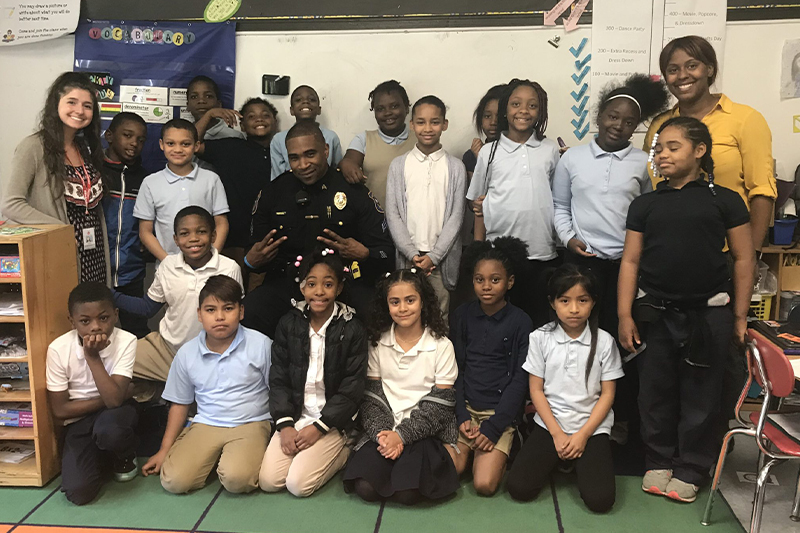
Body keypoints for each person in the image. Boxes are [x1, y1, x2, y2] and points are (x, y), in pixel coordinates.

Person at [619, 117, 754, 503]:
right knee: (654, 391)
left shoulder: (725, 200)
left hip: (709, 314)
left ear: (700, 151)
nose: (662, 154)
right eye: (658, 148)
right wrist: (626, 314)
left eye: (673, 147)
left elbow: (744, 259)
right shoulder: (645, 204)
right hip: (655, 313)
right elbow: (631, 261)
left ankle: (692, 466)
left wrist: (740, 316)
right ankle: (657, 459)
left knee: (703, 395)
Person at [242, 121, 394, 339]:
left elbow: (385, 250)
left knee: (376, 313)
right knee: (250, 311)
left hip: (344, 283)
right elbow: (252, 256)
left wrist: (364, 254)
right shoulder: (273, 193)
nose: (303, 164)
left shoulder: (352, 191)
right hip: (288, 282)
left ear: (326, 150)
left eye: (310, 154)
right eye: (294, 157)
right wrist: (251, 260)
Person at [553, 74, 669, 340]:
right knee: (579, 332)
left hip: (625, 265)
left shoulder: (644, 163)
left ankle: (614, 383)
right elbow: (560, 205)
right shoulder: (572, 158)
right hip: (582, 261)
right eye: (613, 117)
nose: (618, 126)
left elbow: (650, 212)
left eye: (629, 122)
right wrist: (569, 239)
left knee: (618, 332)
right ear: (599, 116)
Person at [507, 264, 623, 513]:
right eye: (565, 300)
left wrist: (582, 436)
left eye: (582, 300)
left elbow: (608, 394)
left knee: (600, 501)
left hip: (591, 428)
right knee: (519, 488)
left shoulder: (604, 341)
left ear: (593, 303)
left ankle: (575, 459)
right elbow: (535, 391)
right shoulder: (540, 337)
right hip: (551, 425)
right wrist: (558, 434)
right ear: (552, 303)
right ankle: (561, 459)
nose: (574, 309)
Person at [141, 275, 272, 494]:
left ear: (241, 312)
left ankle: (233, 459)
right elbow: (180, 404)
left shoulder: (262, 344)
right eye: (210, 310)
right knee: (174, 482)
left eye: (228, 309)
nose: (219, 317)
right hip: (207, 423)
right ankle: (211, 459)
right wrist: (164, 449)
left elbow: (279, 391)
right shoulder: (187, 353)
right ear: (199, 315)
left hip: (251, 423)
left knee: (237, 480)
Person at [343, 269, 459, 504]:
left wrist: (402, 436)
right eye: (395, 302)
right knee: (366, 488)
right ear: (386, 305)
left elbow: (442, 403)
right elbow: (371, 396)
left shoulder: (441, 345)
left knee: (407, 492)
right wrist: (384, 436)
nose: (403, 308)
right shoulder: (377, 342)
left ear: (423, 302)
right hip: (385, 427)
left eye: (410, 300)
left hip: (425, 431)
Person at [259, 248, 367, 497]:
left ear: (339, 288)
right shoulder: (289, 323)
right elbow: (278, 378)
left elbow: (352, 387)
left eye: (328, 284)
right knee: (269, 481)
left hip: (331, 422)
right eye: (312, 284)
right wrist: (285, 425)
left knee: (297, 485)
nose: (319, 292)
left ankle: (346, 448)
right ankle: (300, 442)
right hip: (296, 416)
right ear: (302, 288)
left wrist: (319, 427)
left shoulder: (351, 328)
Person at [466, 79, 560, 328]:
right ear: (506, 109)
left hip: (542, 251)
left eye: (532, 105)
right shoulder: (489, 152)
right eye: (516, 104)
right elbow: (477, 205)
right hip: (501, 253)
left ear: (541, 112)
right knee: (503, 322)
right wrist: (478, 249)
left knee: (539, 322)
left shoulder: (550, 150)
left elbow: (559, 198)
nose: (524, 111)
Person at [0, 72, 110, 283]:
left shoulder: (86, 150)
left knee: (94, 311)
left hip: (93, 255)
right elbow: (11, 204)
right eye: (72, 102)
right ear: (55, 104)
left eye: (87, 106)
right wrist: (62, 231)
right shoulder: (33, 147)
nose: (80, 110)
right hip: (59, 252)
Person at [114, 206, 243, 384]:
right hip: (167, 350)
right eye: (184, 233)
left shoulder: (229, 268)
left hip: (212, 354)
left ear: (213, 236)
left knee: (204, 400)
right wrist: (111, 296)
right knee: (116, 362)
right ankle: (157, 394)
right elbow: (148, 308)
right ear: (175, 239)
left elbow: (235, 319)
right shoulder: (168, 266)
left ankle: (181, 392)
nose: (193, 239)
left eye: (201, 232)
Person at [450, 237, 532, 496]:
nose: (486, 287)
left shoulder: (521, 321)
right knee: (450, 472)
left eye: (495, 280)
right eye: (479, 280)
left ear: (509, 282)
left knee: (483, 486)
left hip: (498, 415)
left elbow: (520, 379)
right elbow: (456, 370)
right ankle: (469, 451)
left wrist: (495, 426)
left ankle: (508, 442)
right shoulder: (461, 316)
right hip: (465, 412)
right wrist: (462, 416)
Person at [46, 282, 139, 505]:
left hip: (115, 416)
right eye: (85, 321)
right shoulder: (58, 349)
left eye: (103, 318)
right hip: (78, 421)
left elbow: (115, 402)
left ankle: (124, 454)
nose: (95, 327)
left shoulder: (127, 341)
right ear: (72, 321)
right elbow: (60, 410)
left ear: (115, 315)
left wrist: (92, 358)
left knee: (110, 431)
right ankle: (100, 456)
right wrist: (121, 394)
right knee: (79, 493)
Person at [385, 95, 466, 320]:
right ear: (412, 125)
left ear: (445, 124)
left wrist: (435, 256)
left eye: (435, 122)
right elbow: (393, 215)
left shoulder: (455, 167)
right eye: (421, 122)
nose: (427, 128)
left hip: (440, 261)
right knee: (407, 317)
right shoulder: (399, 166)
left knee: (439, 318)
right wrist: (412, 254)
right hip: (408, 258)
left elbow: (456, 217)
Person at [196, 97, 278, 271]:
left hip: (269, 237)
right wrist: (209, 115)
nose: (259, 119)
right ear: (242, 126)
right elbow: (190, 144)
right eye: (251, 116)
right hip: (233, 237)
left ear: (275, 122)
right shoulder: (230, 147)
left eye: (265, 115)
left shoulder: (284, 151)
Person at [133, 118, 230, 261]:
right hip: (167, 266)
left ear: (196, 146)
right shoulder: (150, 183)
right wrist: (168, 262)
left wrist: (212, 257)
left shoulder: (211, 179)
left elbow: (221, 223)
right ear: (161, 144)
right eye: (170, 143)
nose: (178, 149)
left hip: (206, 266)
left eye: (185, 144)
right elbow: (145, 231)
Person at [102, 112, 150, 339]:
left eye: (141, 139)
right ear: (109, 136)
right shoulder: (94, 172)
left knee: (137, 332)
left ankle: (136, 375)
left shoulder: (146, 180)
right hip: (96, 270)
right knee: (95, 331)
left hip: (131, 272)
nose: (134, 143)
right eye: (128, 135)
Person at [339, 80, 417, 208]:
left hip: (414, 218)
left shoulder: (420, 139)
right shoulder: (364, 139)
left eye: (394, 106)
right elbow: (348, 161)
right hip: (375, 219)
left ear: (407, 107)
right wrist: (347, 165)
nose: (388, 113)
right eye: (380, 109)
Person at [270, 85, 342, 180]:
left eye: (312, 100)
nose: (305, 102)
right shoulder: (278, 139)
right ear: (292, 110)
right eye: (298, 100)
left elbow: (337, 170)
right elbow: (277, 176)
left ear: (319, 109)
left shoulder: (331, 137)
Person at [463, 84, 505, 179]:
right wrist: (479, 157)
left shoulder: (520, 153)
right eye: (487, 116)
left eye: (500, 116)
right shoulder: (471, 156)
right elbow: (475, 192)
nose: (493, 122)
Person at [186, 75, 246, 141]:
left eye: (208, 96)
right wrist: (209, 114)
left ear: (219, 104)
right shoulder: (180, 133)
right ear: (187, 105)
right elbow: (190, 142)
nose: (201, 101)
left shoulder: (233, 136)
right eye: (194, 97)